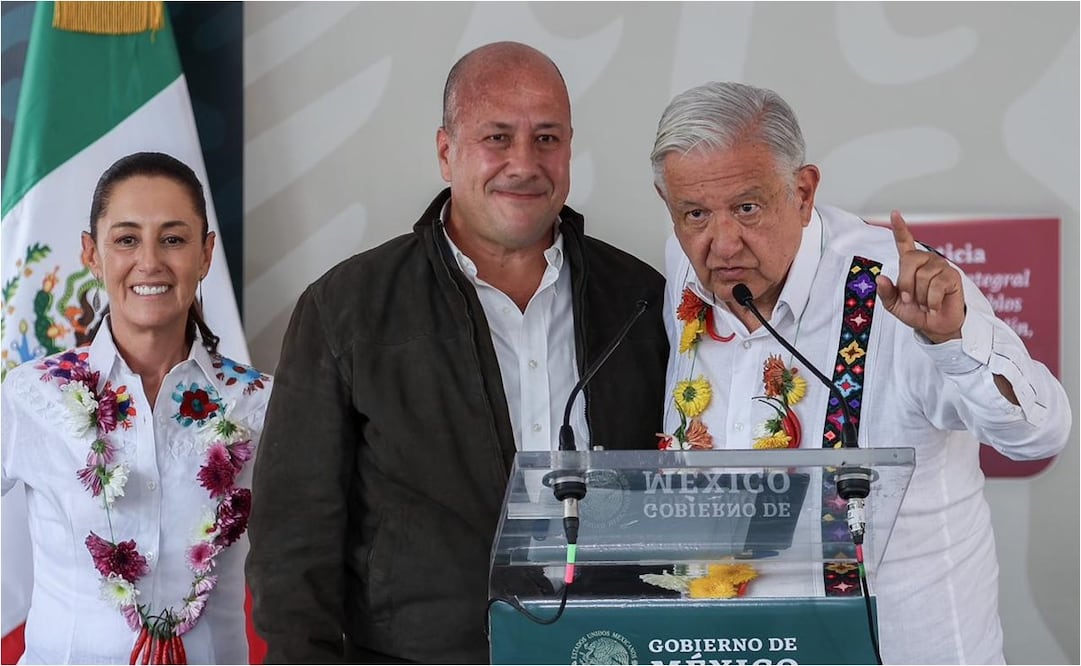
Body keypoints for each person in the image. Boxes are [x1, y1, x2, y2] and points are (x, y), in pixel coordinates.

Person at [246, 41, 669, 663]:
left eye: (546, 138)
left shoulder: (640, 301)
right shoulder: (346, 310)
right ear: (446, 153)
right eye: (497, 138)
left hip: (610, 649)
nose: (524, 163)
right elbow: (293, 540)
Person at [649, 81, 1070, 664]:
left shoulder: (900, 291)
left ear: (803, 192)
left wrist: (953, 341)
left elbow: (1039, 434)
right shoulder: (684, 268)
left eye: (747, 208)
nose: (722, 244)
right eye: (695, 213)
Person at [1, 152, 272, 664]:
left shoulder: (260, 402)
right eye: (126, 239)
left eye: (173, 239)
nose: (149, 262)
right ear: (92, 253)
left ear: (205, 254)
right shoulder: (32, 394)